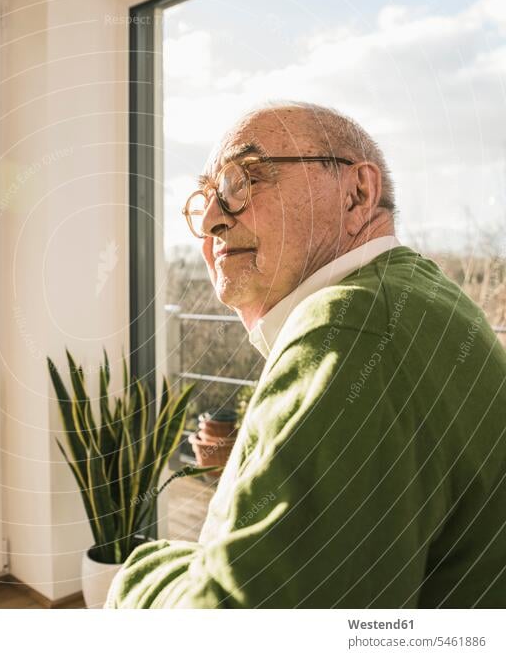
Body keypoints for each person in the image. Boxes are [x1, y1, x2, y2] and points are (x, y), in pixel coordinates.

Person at [106, 102, 506, 608]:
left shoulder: (351, 327)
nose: (210, 221)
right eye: (205, 198)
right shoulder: (407, 295)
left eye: (241, 181)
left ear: (357, 194)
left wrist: (139, 575)